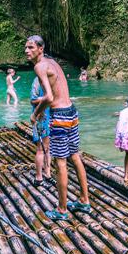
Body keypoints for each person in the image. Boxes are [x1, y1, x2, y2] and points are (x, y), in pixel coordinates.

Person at [28, 34, 91, 219]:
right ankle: (84, 200)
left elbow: (48, 97)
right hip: (72, 112)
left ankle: (62, 209)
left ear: (41, 49)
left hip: (60, 117)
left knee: (60, 162)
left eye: (31, 47)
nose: (26, 51)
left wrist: (35, 114)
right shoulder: (53, 63)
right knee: (75, 156)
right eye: (26, 47)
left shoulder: (40, 66)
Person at [29, 64, 52, 183]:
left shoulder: (49, 81)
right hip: (40, 117)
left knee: (48, 148)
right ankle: (39, 177)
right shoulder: (37, 81)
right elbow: (33, 100)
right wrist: (46, 99)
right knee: (40, 149)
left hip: (49, 117)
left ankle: (47, 173)